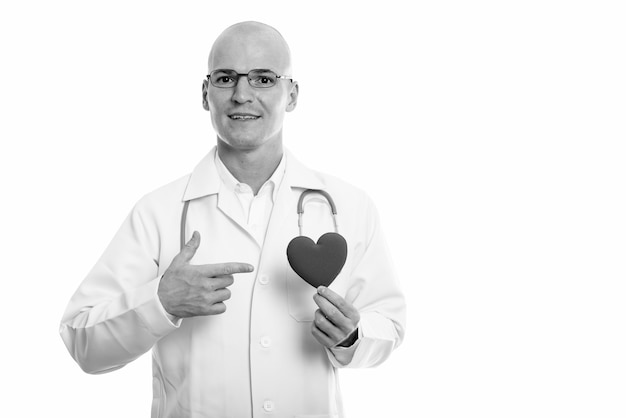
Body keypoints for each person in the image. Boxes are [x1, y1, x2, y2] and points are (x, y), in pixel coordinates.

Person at [60, 21, 406, 418]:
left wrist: (352, 336)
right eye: (226, 78)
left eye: (263, 78)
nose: (242, 95)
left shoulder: (350, 206)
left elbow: (390, 324)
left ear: (291, 94)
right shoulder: (158, 211)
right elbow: (81, 341)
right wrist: (160, 302)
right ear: (206, 95)